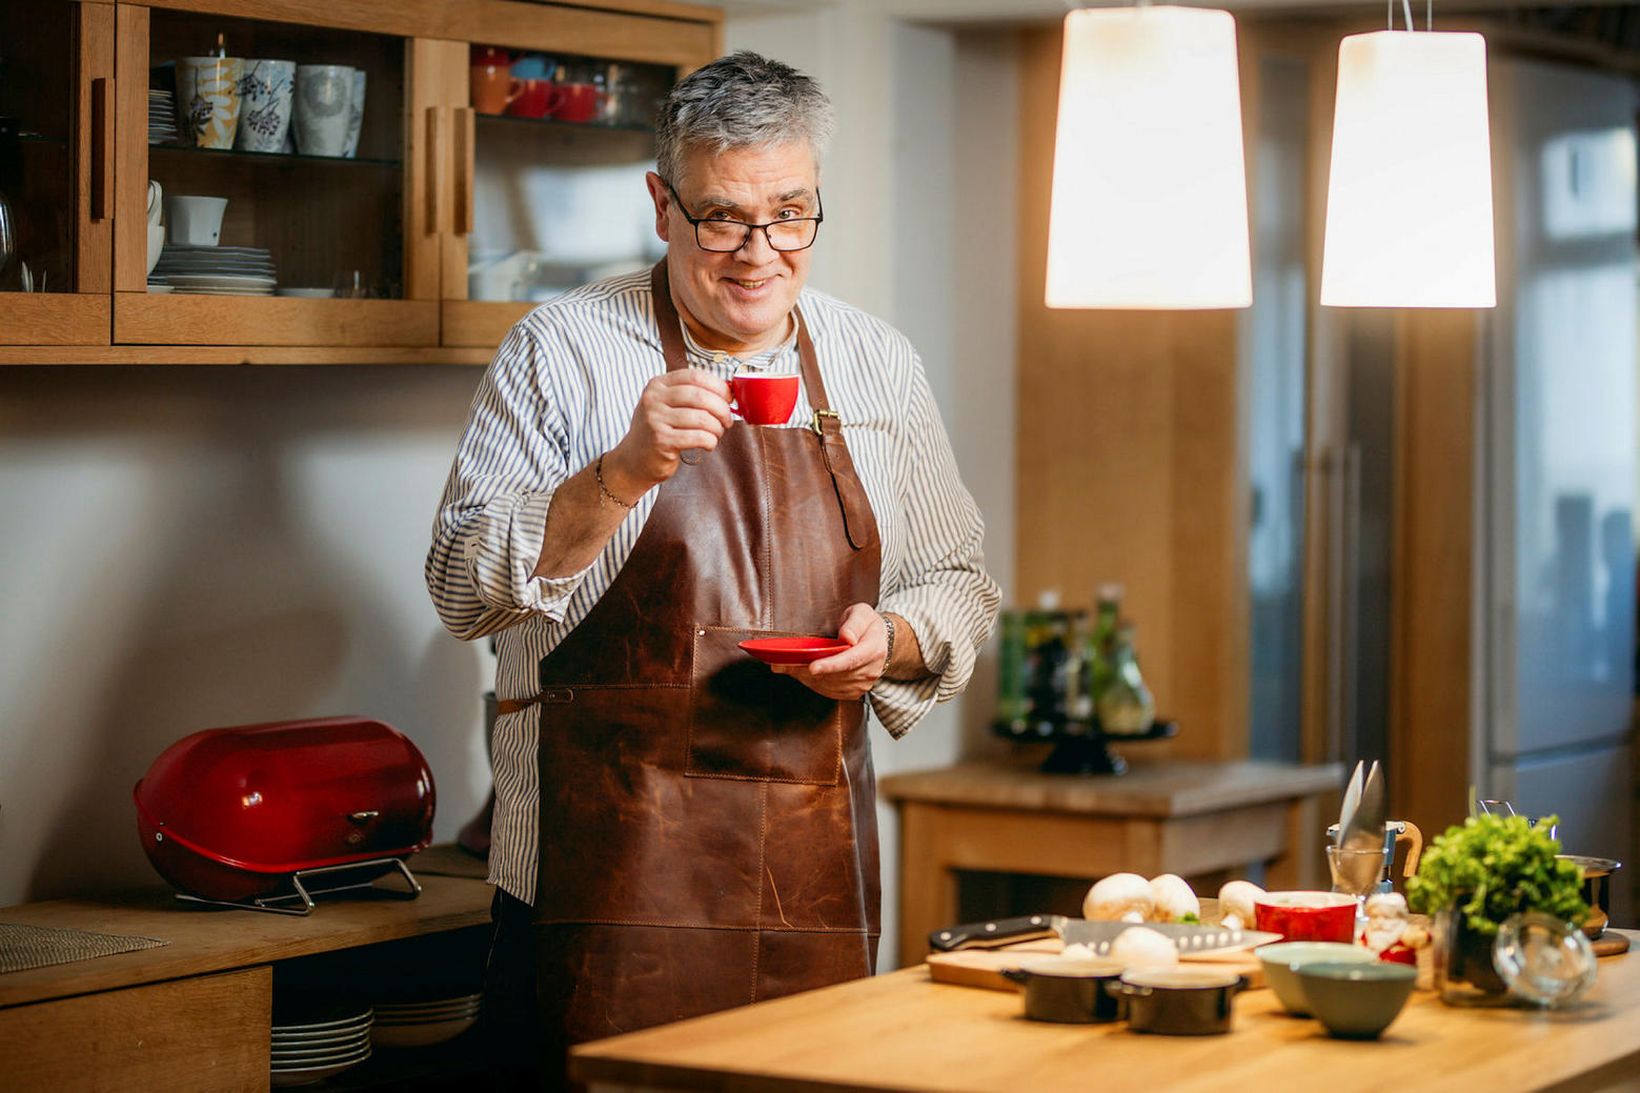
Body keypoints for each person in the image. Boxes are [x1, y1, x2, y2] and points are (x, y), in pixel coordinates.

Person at [426, 51, 999, 1086]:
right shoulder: (557, 351)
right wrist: (617, 474)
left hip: (809, 889)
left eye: (788, 214)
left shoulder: (877, 364)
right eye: (722, 217)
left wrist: (892, 639)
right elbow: (461, 588)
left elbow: (961, 580)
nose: (757, 252)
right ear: (661, 203)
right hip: (597, 876)